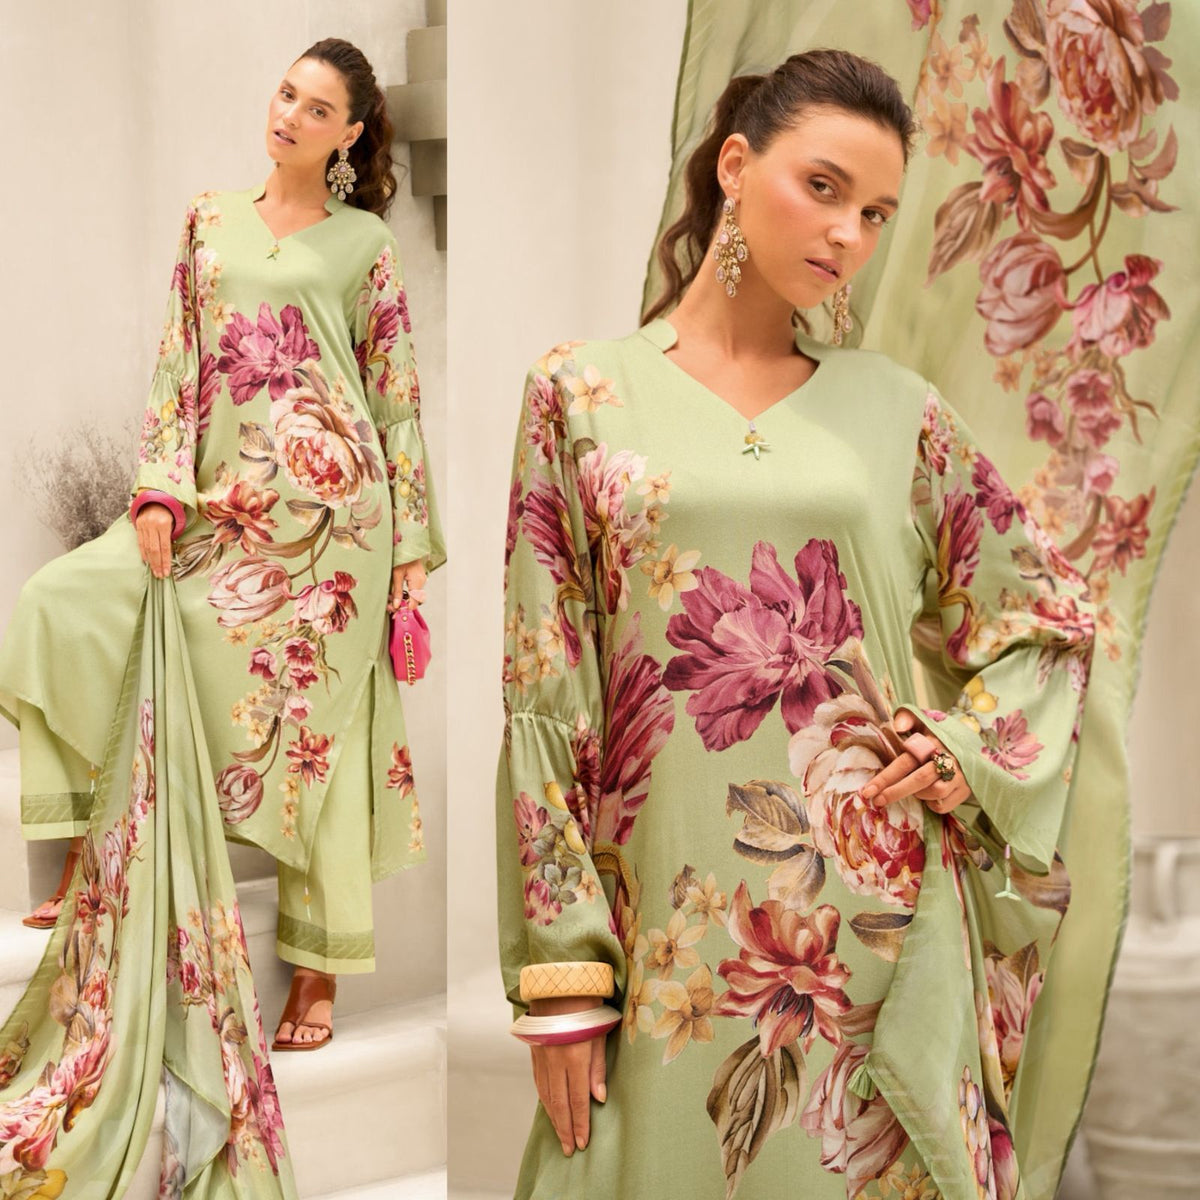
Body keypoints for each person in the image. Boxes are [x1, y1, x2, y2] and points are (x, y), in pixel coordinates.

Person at [495, 49, 1094, 1199]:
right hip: (666, 938)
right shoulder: (579, 395)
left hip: (866, 942)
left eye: (874, 213)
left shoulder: (897, 411)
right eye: (823, 188)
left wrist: (961, 748)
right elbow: (545, 679)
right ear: (736, 165)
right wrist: (562, 969)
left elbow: (1046, 619)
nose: (847, 235)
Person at [2, 37, 444, 1055]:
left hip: (334, 528)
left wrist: (411, 556)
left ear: (349, 135)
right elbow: (177, 362)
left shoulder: (364, 245)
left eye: (317, 108)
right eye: (286, 93)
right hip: (218, 504)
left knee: (319, 727)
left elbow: (394, 398)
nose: (289, 115)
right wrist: (160, 491)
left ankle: (318, 969)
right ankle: (92, 852)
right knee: (63, 602)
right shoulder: (210, 217)